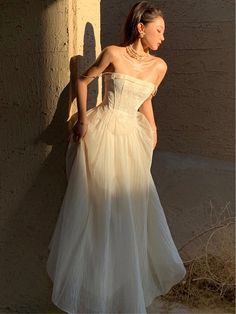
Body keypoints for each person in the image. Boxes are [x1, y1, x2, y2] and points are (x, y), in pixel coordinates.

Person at [46, 1, 187, 313]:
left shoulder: (159, 67)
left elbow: (145, 101)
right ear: (141, 28)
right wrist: (81, 120)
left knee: (129, 213)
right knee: (97, 212)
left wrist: (152, 128)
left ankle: (123, 294)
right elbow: (82, 81)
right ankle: (90, 292)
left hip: (133, 141)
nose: (163, 37)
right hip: (103, 133)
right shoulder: (113, 53)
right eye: (159, 30)